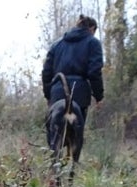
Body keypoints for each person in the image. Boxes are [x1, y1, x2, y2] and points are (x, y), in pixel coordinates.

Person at [41, 15, 105, 155]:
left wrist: (48, 95)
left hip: (57, 94)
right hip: (80, 95)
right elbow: (94, 72)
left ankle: (55, 168)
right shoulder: (93, 43)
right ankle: (72, 168)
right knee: (76, 136)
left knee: (54, 138)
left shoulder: (57, 44)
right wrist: (99, 96)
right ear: (92, 29)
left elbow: (46, 73)